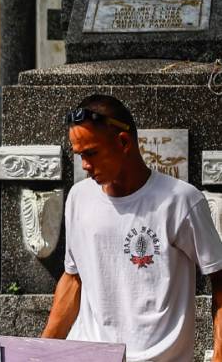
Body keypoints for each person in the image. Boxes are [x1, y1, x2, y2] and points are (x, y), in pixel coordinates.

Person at [42, 94, 222, 361]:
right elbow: (74, 279)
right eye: (79, 155)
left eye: (91, 153)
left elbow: (219, 279)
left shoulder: (181, 201)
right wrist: (40, 351)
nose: (85, 166)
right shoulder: (78, 197)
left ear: (123, 142)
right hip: (89, 354)